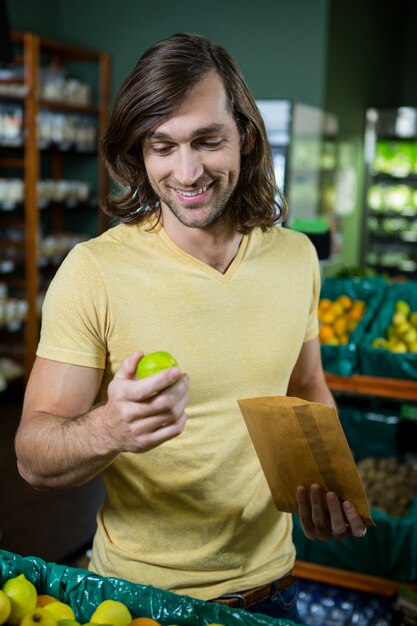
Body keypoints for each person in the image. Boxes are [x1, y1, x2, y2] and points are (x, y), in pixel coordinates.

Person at [15, 32, 367, 621]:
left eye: (208, 140)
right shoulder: (94, 271)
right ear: (140, 151)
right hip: (137, 601)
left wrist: (326, 484)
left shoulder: (296, 257)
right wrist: (110, 428)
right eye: (163, 146)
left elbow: (304, 387)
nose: (187, 171)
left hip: (272, 592)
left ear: (245, 137)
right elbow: (32, 456)